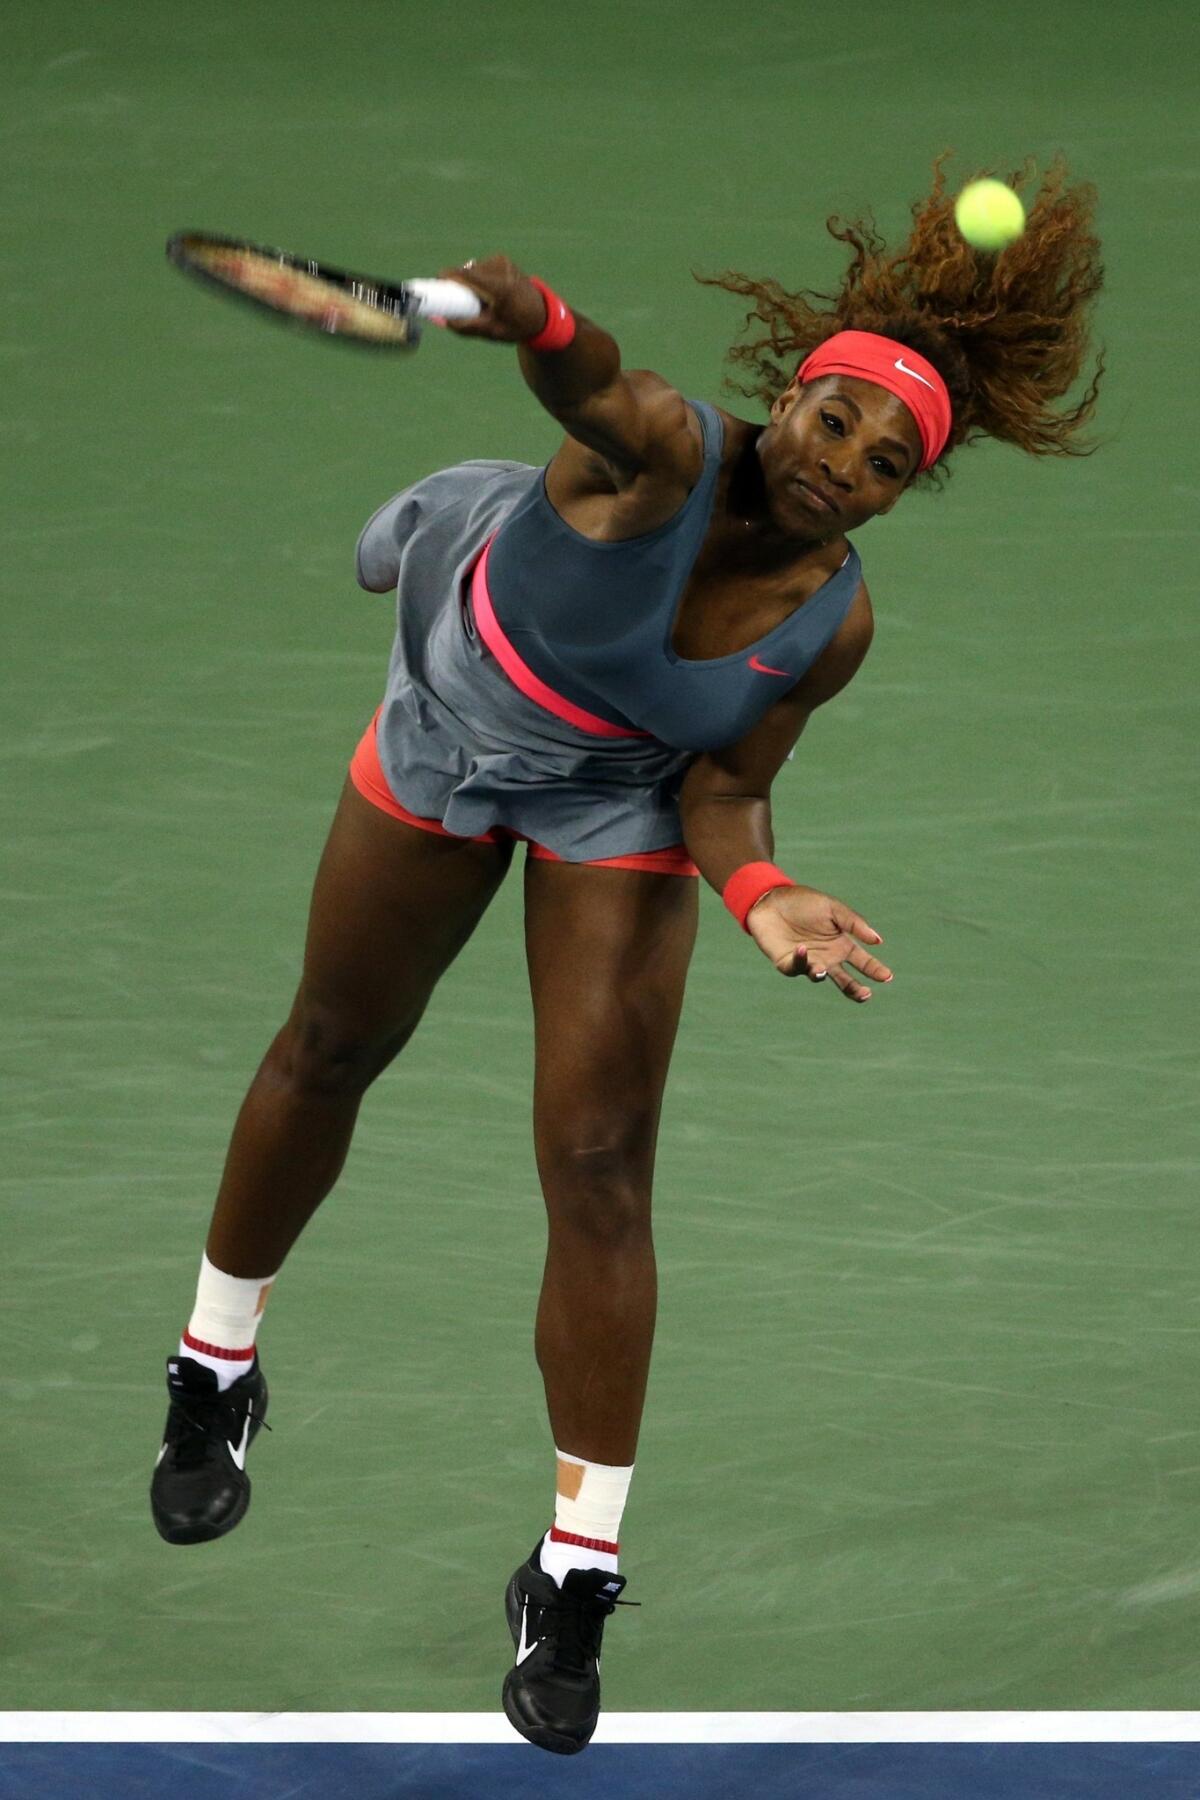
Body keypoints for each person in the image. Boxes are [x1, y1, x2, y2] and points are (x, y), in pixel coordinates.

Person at [149, 155, 1103, 1755]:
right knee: (332, 1045)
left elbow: (725, 788)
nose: (840, 467)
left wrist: (761, 896)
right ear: (787, 397)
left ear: (897, 493)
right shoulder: (658, 451)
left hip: (618, 793)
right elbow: (587, 374)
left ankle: (575, 1568)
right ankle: (211, 1368)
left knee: (599, 1160)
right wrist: (532, 316)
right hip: (458, 726)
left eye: (880, 466)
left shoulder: (834, 619)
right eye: (831, 423)